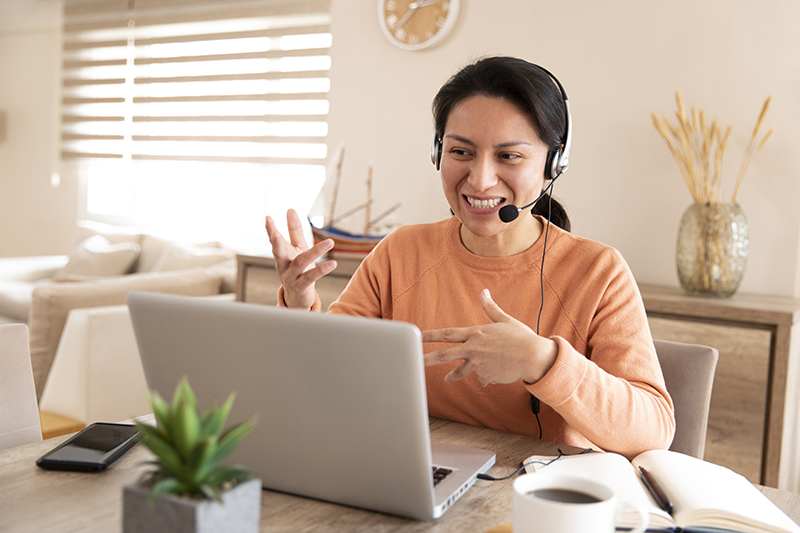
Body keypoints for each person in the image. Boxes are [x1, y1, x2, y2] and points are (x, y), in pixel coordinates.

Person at [265, 56, 674, 459]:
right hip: (412, 474)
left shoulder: (597, 272)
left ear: (554, 164)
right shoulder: (401, 252)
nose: (479, 179)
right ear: (438, 152)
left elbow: (653, 430)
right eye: (461, 151)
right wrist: (299, 305)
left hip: (535, 499)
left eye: (509, 156)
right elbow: (324, 379)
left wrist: (542, 361)